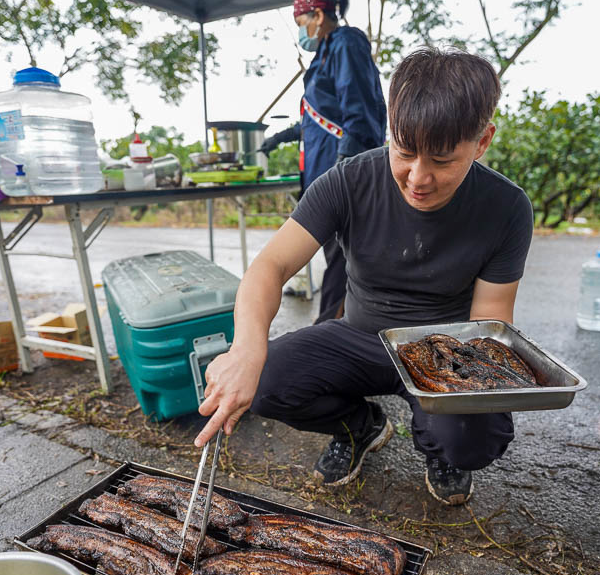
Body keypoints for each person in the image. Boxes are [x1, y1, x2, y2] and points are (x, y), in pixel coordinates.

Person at [196, 48, 533, 506]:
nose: (418, 177)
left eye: (442, 160)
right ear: (389, 129)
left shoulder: (506, 208)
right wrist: (245, 350)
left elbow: (490, 318)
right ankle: (361, 427)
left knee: (472, 438)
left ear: (483, 141)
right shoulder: (348, 180)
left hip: (444, 347)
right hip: (360, 336)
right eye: (405, 150)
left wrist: (465, 394)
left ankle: (442, 448)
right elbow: (270, 267)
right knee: (269, 380)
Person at [259, 0, 386, 323]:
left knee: (343, 258)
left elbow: (358, 109)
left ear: (317, 15)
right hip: (323, 170)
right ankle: (335, 326)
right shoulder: (325, 53)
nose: (301, 30)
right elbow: (316, 121)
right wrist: (278, 138)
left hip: (341, 172)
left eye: (301, 21)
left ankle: (330, 328)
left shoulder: (346, 42)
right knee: (338, 256)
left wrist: (346, 166)